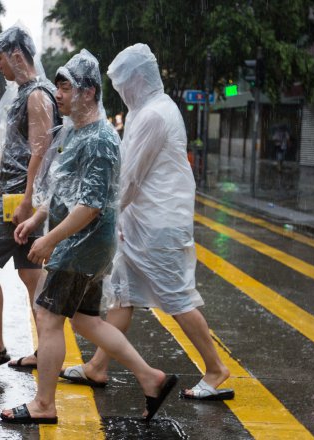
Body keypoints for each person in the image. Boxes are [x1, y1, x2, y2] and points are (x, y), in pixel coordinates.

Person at [1, 50, 176, 425]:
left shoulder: (99, 139)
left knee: (48, 318)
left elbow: (90, 205)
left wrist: (50, 240)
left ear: (89, 92)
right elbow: (64, 190)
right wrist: (37, 220)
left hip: (81, 245)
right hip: (82, 244)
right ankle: (151, 377)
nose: (58, 94)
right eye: (58, 87)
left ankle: (43, 405)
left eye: (66, 87)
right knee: (84, 320)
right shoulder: (74, 131)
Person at [57, 43, 233, 402]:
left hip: (159, 226)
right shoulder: (144, 111)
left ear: (137, 80)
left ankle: (216, 368)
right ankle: (98, 366)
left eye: (123, 83)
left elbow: (130, 177)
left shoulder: (154, 115)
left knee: (177, 297)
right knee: (123, 295)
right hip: (140, 224)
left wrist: (100, 214)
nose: (120, 91)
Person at [0, 25, 60, 374]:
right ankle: (45, 348)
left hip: (18, 199)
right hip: (14, 195)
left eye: (0, 58)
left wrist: (27, 200)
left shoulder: (37, 96)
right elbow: (13, 148)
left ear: (17, 55)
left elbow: (41, 152)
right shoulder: (26, 93)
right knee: (31, 274)